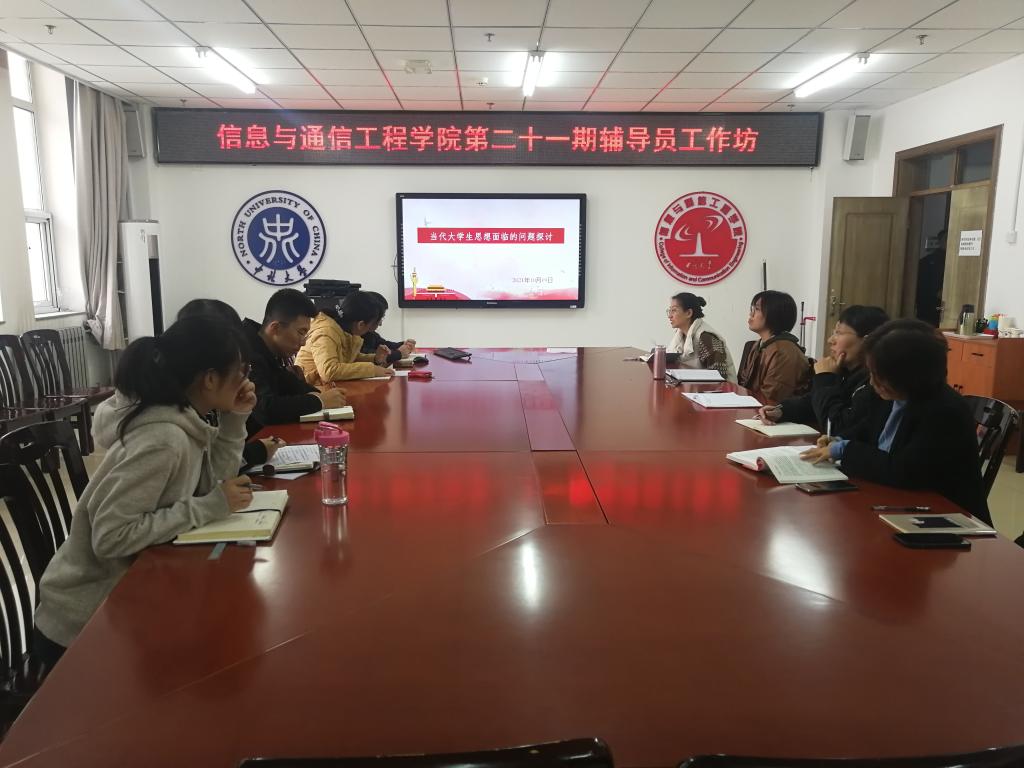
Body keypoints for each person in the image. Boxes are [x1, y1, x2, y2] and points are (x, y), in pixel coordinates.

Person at [32, 316, 257, 666]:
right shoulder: (163, 439)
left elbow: (213, 484)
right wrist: (208, 507)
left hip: (129, 594)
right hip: (83, 623)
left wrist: (234, 420)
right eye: (242, 371)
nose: (246, 380)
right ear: (211, 379)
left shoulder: (185, 422)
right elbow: (111, 537)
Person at [800, 319, 989, 524]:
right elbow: (868, 429)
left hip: (945, 517)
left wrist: (845, 450)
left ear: (909, 376)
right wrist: (837, 440)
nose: (872, 382)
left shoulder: (944, 411)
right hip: (895, 501)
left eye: (878, 375)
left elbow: (904, 470)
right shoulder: (896, 394)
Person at [177, 299, 282, 467]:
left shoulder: (209, 403)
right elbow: (211, 476)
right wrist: (254, 453)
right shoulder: (169, 432)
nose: (245, 379)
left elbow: (216, 476)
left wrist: (237, 415)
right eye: (240, 369)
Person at [759, 305, 888, 437]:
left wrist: (825, 378)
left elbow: (836, 428)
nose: (830, 340)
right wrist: (782, 411)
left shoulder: (875, 384)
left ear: (867, 342)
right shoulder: (845, 372)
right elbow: (813, 403)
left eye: (839, 333)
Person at [242, 289, 347, 428]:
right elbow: (264, 408)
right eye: (301, 332)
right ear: (275, 328)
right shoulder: (244, 351)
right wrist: (319, 401)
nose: (303, 342)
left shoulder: (265, 346)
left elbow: (286, 381)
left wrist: (321, 394)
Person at [296, 290, 394, 385]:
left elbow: (349, 358)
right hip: (310, 388)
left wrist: (374, 358)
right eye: (370, 326)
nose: (375, 327)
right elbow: (329, 371)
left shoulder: (346, 330)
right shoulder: (326, 332)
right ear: (361, 324)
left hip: (327, 386)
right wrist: (372, 370)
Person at [737, 290, 810, 404]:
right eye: (752, 308)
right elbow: (743, 382)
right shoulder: (758, 344)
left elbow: (772, 400)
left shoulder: (783, 352)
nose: (751, 314)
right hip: (752, 406)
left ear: (774, 315)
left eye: (757, 309)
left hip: (767, 411)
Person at [665, 292, 736, 383]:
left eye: (674, 310)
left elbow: (719, 377)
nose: (669, 316)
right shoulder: (680, 335)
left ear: (688, 313)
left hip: (720, 390)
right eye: (669, 311)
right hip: (694, 387)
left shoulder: (706, 337)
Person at [361, 292, 417, 366]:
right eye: (380, 318)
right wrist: (398, 354)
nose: (380, 324)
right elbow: (365, 354)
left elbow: (384, 344)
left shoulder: (369, 333)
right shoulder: (355, 334)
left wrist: (403, 344)